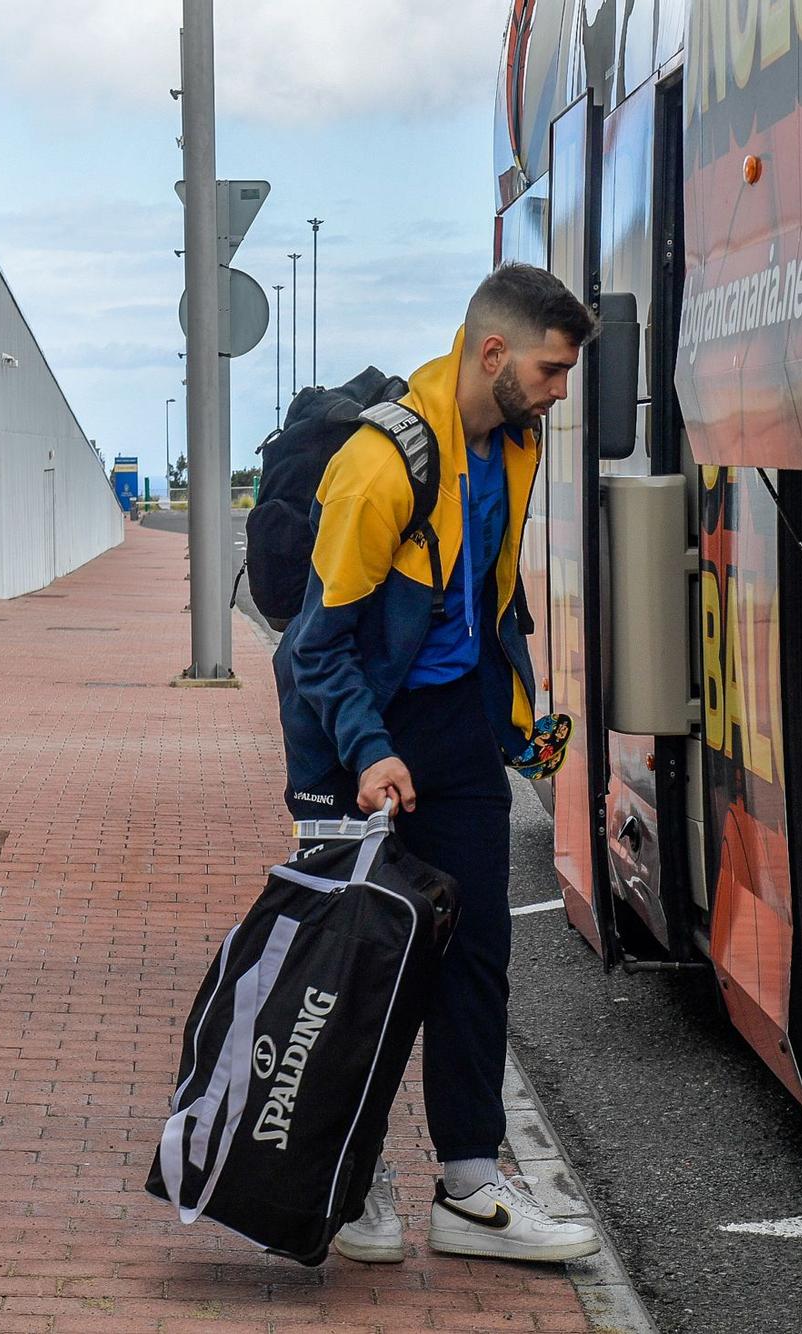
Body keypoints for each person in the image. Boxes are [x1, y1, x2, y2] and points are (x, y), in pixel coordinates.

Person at [274, 264, 602, 1264]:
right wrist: (369, 751)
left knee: (476, 955)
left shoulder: (518, 441)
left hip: (456, 730)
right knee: (358, 961)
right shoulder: (381, 467)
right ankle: (350, 1173)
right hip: (358, 733)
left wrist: (510, 724)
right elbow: (312, 647)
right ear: (491, 352)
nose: (558, 390)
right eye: (549, 369)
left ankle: (470, 1183)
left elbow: (484, 598)